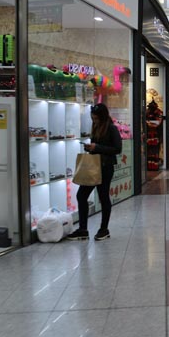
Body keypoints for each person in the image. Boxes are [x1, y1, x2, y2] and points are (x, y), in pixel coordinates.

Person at [67, 103, 122, 241]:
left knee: (103, 197)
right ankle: (83, 229)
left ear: (102, 117)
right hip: (94, 166)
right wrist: (90, 148)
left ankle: (104, 229)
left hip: (105, 167)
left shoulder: (111, 128)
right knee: (81, 195)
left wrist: (97, 147)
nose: (94, 121)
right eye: (93, 118)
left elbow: (117, 149)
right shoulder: (96, 127)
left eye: (96, 118)